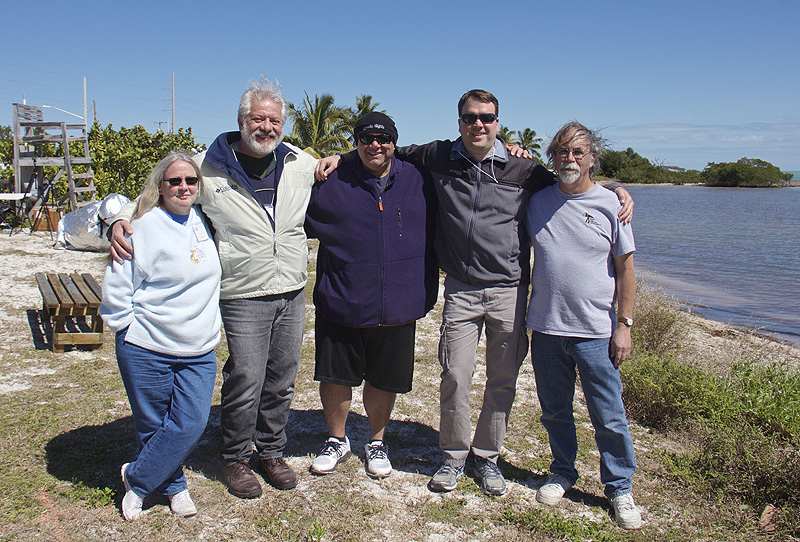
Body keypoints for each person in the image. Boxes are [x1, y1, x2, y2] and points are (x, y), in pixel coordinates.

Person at [316, 90, 634, 496]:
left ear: (498, 122)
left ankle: (486, 457)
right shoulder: (439, 157)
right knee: (455, 375)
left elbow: (571, 182)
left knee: (502, 380)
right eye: (469, 118)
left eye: (486, 117)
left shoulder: (524, 169)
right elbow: (381, 151)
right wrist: (339, 157)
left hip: (509, 291)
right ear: (459, 122)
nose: (477, 124)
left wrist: (615, 188)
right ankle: (452, 457)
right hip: (462, 289)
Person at [110, 78, 317, 499]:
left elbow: (346, 168)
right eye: (257, 118)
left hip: (292, 288)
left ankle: (272, 451)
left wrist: (331, 158)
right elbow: (154, 195)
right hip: (243, 290)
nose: (266, 127)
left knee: (283, 377)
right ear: (241, 121)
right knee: (246, 376)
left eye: (274, 120)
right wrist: (112, 219)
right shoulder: (206, 167)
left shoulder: (300, 163)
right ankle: (235, 457)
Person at [304, 112, 438, 478]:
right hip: (342, 298)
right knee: (335, 376)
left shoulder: (420, 178)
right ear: (356, 142)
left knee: (383, 379)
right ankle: (336, 439)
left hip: (398, 302)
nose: (375, 145)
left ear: (395, 141)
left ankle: (377, 442)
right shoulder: (331, 181)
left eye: (383, 139)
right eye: (365, 138)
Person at [525, 122, 641, 529]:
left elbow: (626, 270)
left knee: (608, 415)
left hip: (596, 331)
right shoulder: (536, 200)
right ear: (553, 157)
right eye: (562, 152)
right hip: (546, 328)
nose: (569, 159)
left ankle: (620, 487)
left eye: (578, 152)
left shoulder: (613, 204)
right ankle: (562, 471)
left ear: (592, 157)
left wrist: (623, 324)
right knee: (555, 411)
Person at [99, 151, 221, 520]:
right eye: (175, 181)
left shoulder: (205, 219)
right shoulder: (143, 226)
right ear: (160, 186)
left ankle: (136, 477)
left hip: (199, 346)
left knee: (191, 422)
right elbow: (119, 284)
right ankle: (174, 486)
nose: (183, 187)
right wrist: (126, 329)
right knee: (153, 423)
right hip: (147, 344)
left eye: (190, 180)